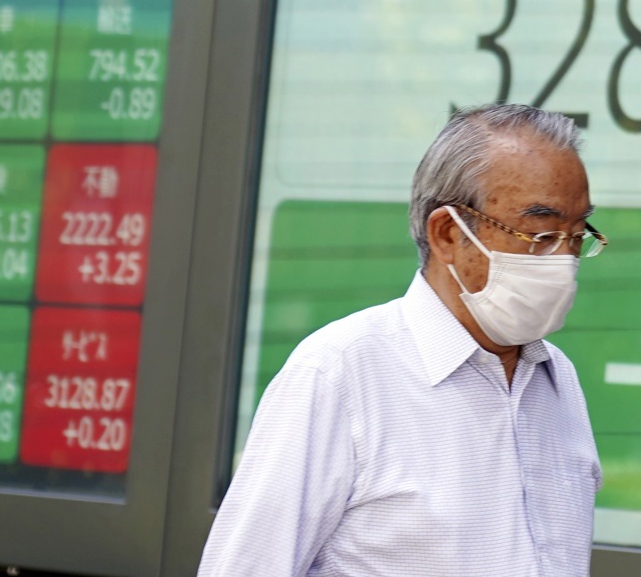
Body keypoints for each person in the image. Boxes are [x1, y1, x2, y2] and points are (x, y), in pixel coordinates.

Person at [198, 104, 607, 577]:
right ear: (448, 234)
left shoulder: (557, 379)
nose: (563, 261)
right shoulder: (339, 375)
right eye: (540, 234)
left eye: (576, 236)